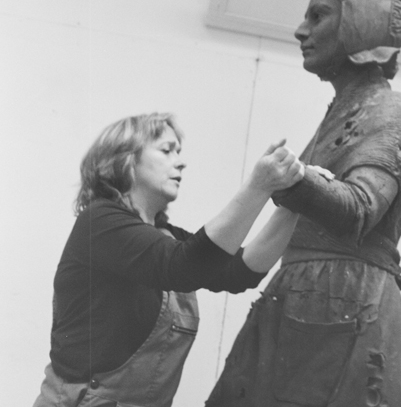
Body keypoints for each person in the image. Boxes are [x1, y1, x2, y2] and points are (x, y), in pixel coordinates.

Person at [207, 0, 401, 406]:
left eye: (318, 16)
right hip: (310, 302)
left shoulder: (393, 108)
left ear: (360, 28)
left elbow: (360, 208)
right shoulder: (343, 111)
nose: (301, 30)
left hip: (343, 306)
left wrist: (294, 178)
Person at [33, 112, 305, 407]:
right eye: (166, 150)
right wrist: (258, 187)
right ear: (125, 160)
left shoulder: (166, 237)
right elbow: (183, 267)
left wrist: (295, 207)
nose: (180, 161)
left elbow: (240, 272)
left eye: (179, 151)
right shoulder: (99, 223)